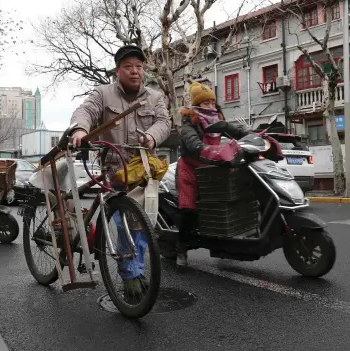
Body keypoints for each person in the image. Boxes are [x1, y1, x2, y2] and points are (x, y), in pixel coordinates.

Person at [70, 44, 171, 295]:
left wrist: (151, 137)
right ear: (118, 71)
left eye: (139, 66)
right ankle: (130, 273)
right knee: (126, 221)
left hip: (144, 169)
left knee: (143, 223)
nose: (135, 71)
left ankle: (134, 268)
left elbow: (164, 122)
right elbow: (85, 110)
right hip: (115, 170)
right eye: (128, 67)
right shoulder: (103, 94)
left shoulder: (155, 97)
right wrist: (80, 130)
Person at [176, 82, 248, 268]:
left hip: (212, 167)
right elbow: (191, 141)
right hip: (190, 169)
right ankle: (181, 249)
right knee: (188, 209)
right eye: (205, 103)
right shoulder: (189, 121)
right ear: (197, 104)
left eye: (211, 102)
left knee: (224, 204)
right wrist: (203, 148)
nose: (210, 106)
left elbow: (235, 132)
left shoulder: (217, 120)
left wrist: (251, 135)